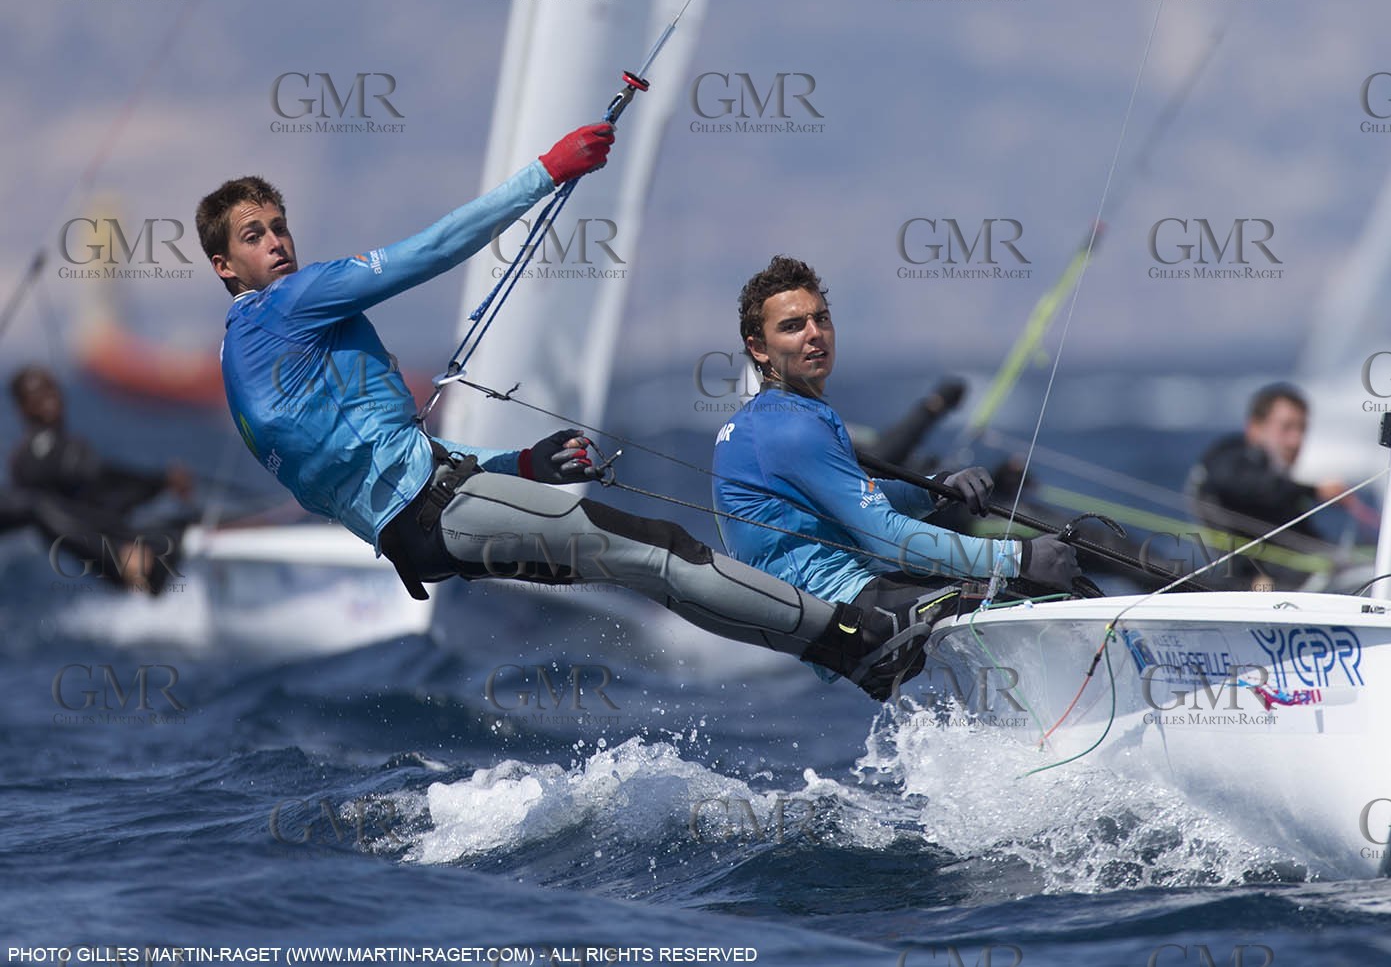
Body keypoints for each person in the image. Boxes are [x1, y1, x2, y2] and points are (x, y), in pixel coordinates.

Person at [200, 124, 908, 697]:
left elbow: (379, 478)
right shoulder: (288, 307)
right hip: (440, 510)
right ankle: (858, 634)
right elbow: (434, 249)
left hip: (422, 536)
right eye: (255, 235)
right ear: (225, 265)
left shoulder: (244, 367)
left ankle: (850, 656)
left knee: (646, 567)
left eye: (280, 225)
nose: (279, 242)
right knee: (664, 549)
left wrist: (525, 465)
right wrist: (549, 169)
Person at [711, 256, 1085, 695]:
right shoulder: (788, 428)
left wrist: (935, 492)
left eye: (822, 319)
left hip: (846, 608)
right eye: (793, 326)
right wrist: (1017, 557)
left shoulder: (781, 416)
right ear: (758, 347)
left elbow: (855, 500)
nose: (815, 334)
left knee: (1037, 584)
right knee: (1045, 589)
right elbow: (886, 537)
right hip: (850, 614)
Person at [8, 365, 195, 593]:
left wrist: (163, 482)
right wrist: (116, 554)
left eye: (51, 388)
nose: (49, 397)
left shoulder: (68, 446)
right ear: (23, 407)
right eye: (36, 393)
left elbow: (107, 486)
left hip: (129, 540)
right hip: (123, 559)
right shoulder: (33, 457)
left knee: (190, 521)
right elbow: (48, 515)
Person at [1184, 382, 1358, 587]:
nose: (1296, 440)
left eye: (1302, 429)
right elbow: (1251, 486)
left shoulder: (1280, 483)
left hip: (1287, 576)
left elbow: (1306, 537)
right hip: (1246, 582)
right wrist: (1314, 491)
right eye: (1286, 428)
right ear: (1255, 429)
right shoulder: (1229, 458)